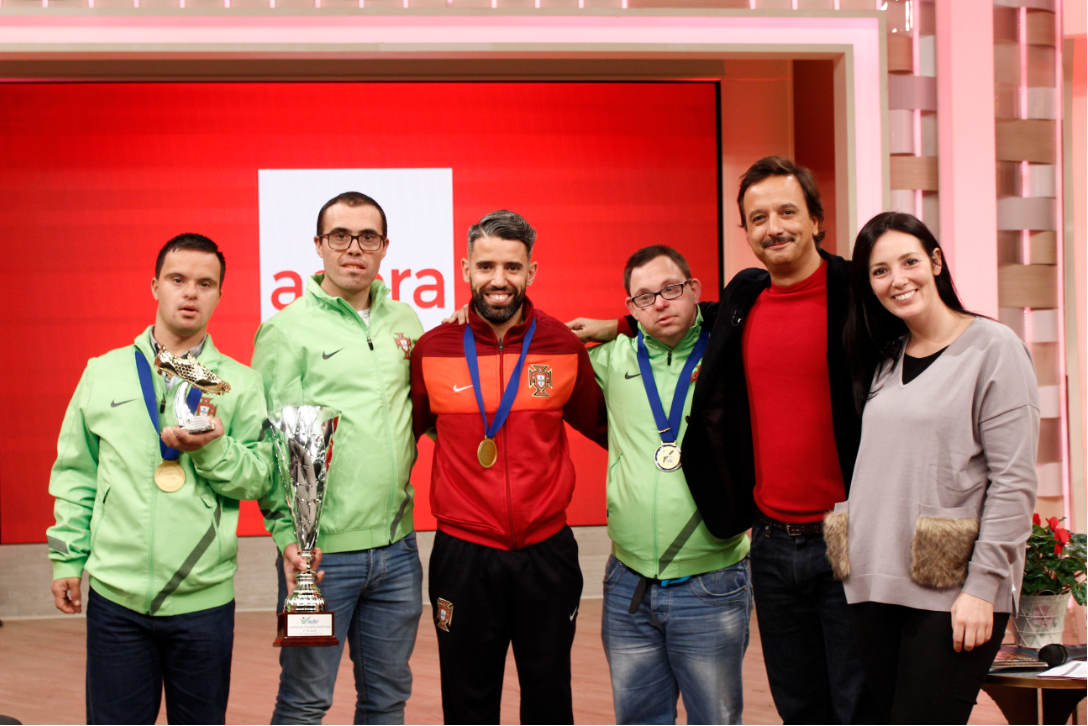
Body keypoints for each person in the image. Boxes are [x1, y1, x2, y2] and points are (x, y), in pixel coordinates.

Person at [569, 157, 880, 724]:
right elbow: (681, 316)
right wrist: (617, 325)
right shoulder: (746, 296)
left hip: (847, 534)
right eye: (758, 217)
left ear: (816, 218)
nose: (773, 227)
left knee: (859, 699)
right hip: (769, 538)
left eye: (787, 211)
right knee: (799, 701)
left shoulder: (859, 293)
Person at [47, 233, 271, 725]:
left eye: (205, 283)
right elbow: (76, 473)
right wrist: (68, 558)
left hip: (203, 600)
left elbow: (258, 476)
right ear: (154, 286)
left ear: (218, 295)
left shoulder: (238, 383)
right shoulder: (102, 372)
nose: (191, 293)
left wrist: (214, 448)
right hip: (116, 599)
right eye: (178, 279)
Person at [830, 212, 1039, 723]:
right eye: (880, 271)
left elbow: (1014, 481)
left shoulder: (995, 349)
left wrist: (981, 589)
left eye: (908, 261)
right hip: (873, 583)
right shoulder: (884, 358)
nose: (897, 279)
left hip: (951, 588)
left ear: (936, 262)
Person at [410, 209, 607, 724]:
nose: (499, 280)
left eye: (512, 268)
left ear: (532, 272)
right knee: (468, 703)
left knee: (549, 700)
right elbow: (400, 435)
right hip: (464, 553)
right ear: (465, 269)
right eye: (486, 266)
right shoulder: (432, 349)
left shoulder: (562, 345)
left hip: (547, 552)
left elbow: (613, 429)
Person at [253, 192, 424, 724]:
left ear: (384, 247)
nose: (354, 248)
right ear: (319, 246)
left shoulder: (407, 320)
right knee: (305, 701)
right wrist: (289, 538)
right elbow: (270, 446)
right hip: (320, 561)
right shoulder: (285, 330)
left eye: (368, 237)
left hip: (398, 553)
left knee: (387, 699)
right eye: (340, 237)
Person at [588, 245, 752, 725]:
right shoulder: (611, 358)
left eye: (670, 289)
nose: (659, 303)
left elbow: (752, 295)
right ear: (630, 309)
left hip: (712, 583)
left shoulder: (730, 354)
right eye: (643, 298)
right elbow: (538, 352)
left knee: (715, 720)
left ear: (695, 291)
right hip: (628, 584)